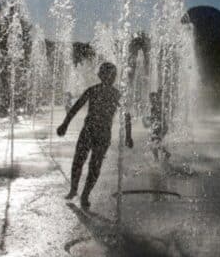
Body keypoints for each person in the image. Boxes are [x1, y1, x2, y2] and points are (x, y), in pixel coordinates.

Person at [57, 62, 132, 209]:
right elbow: (76, 107)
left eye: (112, 75)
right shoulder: (93, 90)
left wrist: (128, 136)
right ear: (101, 75)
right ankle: (74, 189)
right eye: (108, 74)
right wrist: (65, 124)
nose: (110, 78)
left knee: (93, 166)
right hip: (90, 131)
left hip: (100, 134)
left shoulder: (116, 94)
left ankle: (84, 194)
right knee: (80, 161)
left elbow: (127, 116)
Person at [144, 89, 170, 161]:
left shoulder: (157, 105)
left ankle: (158, 159)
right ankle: (164, 155)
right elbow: (155, 117)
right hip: (160, 127)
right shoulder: (155, 106)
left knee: (154, 142)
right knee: (155, 142)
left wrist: (149, 118)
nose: (150, 100)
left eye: (151, 98)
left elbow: (159, 116)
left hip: (161, 127)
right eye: (150, 98)